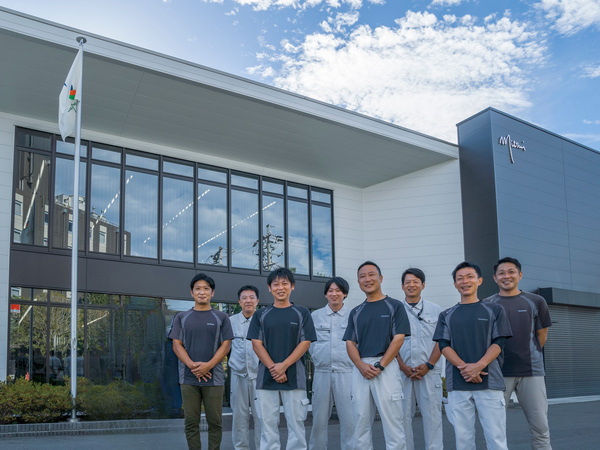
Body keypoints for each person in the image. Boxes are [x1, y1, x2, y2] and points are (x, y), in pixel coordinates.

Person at [433, 261, 513, 450]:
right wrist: (466, 369)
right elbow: (443, 345)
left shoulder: (494, 310)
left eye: (470, 277)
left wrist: (478, 366)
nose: (465, 281)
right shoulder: (446, 314)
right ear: (455, 284)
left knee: (496, 438)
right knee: (463, 440)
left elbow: (499, 342)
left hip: (490, 383)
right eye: (460, 278)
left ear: (479, 281)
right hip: (458, 385)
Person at [343, 261, 411, 450]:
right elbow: (350, 343)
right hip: (361, 370)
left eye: (371, 274)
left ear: (380, 278)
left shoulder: (395, 306)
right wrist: (360, 365)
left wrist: (380, 365)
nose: (367, 279)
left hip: (386, 368)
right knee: (360, 424)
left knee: (393, 423)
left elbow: (398, 339)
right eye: (362, 276)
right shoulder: (356, 312)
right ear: (358, 281)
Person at [486, 257, 553, 450]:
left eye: (511, 272)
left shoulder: (536, 301)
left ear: (520, 275)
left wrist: (527, 355)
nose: (506, 276)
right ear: (495, 277)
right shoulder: (487, 304)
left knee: (540, 427)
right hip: (498, 374)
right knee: (493, 430)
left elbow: (541, 336)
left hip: (531, 372)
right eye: (501, 273)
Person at [247, 267, 316, 450]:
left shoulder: (302, 312)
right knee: (267, 425)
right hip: (266, 378)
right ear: (269, 288)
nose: (280, 287)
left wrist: (284, 366)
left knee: (296, 425)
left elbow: (305, 343)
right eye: (276, 284)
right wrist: (274, 369)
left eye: (284, 283)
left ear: (292, 286)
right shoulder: (261, 314)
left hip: (295, 378)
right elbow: (256, 344)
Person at [169, 273, 233, 450]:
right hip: (188, 378)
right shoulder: (181, 317)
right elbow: (176, 345)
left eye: (206, 288)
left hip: (214, 378)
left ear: (212, 292)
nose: (202, 292)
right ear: (192, 292)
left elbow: (226, 345)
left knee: (215, 422)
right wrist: (192, 366)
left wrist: (208, 365)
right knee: (191, 422)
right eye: (198, 288)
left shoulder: (222, 317)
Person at [396, 268, 443, 450]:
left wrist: (429, 365)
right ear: (402, 286)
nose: (411, 285)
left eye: (416, 281)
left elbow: (441, 341)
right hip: (402, 373)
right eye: (407, 282)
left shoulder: (436, 310)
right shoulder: (395, 310)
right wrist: (402, 366)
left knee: (433, 417)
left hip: (429, 372)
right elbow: (390, 342)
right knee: (401, 417)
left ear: (423, 285)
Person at [308, 277, 353, 450]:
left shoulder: (353, 315)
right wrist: (319, 358)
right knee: (318, 420)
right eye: (330, 291)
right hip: (322, 372)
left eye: (338, 291)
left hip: (347, 373)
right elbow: (310, 343)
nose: (334, 294)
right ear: (325, 294)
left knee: (350, 420)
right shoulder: (315, 316)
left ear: (345, 294)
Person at [230, 285, 261, 450]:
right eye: (244, 298)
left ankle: (263, 447)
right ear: (239, 301)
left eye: (251, 297)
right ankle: (241, 447)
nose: (248, 301)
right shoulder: (230, 322)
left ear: (257, 301)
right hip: (238, 375)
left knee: (261, 416)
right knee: (239, 416)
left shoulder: (264, 320)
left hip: (260, 376)